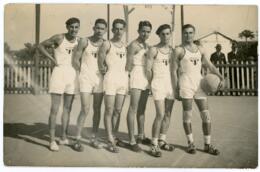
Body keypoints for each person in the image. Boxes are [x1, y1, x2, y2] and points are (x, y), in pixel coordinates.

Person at [173, 24, 224, 155]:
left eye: (190, 33)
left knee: (206, 116)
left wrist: (221, 77)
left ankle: (207, 145)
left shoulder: (200, 49)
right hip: (185, 85)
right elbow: (173, 71)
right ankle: (190, 143)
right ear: (182, 34)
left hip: (199, 85)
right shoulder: (178, 50)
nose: (188, 35)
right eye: (185, 33)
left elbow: (210, 66)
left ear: (194, 34)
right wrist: (175, 88)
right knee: (187, 115)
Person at [38, 17, 80, 151]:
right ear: (67, 27)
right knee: (54, 109)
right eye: (71, 27)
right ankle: (51, 140)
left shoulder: (80, 41)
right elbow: (40, 46)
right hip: (59, 73)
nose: (74, 29)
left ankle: (63, 137)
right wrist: (52, 59)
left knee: (67, 109)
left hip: (72, 75)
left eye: (76, 27)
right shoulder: (59, 38)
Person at [72, 19, 107, 151]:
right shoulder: (84, 41)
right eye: (97, 28)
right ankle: (77, 139)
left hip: (99, 80)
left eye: (102, 29)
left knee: (97, 109)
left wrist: (105, 69)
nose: (99, 31)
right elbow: (76, 60)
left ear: (105, 31)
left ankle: (94, 137)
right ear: (93, 28)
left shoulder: (106, 44)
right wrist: (82, 73)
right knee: (85, 109)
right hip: (86, 79)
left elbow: (109, 61)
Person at [98, 18, 128, 153]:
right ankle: (110, 139)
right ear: (112, 29)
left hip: (122, 80)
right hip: (110, 80)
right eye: (116, 28)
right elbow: (100, 62)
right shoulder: (106, 44)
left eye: (121, 29)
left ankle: (113, 136)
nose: (118, 31)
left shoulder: (125, 45)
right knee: (109, 110)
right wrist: (104, 71)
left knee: (118, 110)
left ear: (124, 30)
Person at [146, 24, 176, 157]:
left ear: (171, 34)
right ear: (158, 35)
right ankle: (154, 144)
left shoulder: (173, 51)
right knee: (160, 114)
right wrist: (152, 83)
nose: (165, 36)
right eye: (163, 34)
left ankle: (162, 140)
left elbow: (176, 69)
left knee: (168, 114)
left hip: (170, 85)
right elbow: (148, 69)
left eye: (168, 33)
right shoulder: (153, 50)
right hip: (158, 84)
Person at [125, 21, 152, 152]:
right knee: (133, 108)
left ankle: (141, 135)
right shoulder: (133, 45)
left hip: (145, 78)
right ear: (138, 31)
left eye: (148, 31)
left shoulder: (148, 45)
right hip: (136, 75)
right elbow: (128, 65)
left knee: (142, 109)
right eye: (143, 31)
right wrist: (128, 79)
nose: (145, 33)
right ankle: (131, 140)